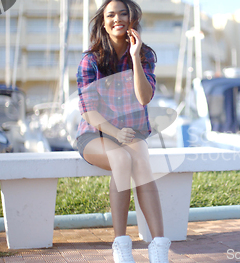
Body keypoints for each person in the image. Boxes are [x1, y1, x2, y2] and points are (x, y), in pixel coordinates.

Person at [75, 0, 170, 262]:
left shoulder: (146, 54)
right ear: (103, 23)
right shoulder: (90, 60)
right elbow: (88, 111)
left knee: (142, 161)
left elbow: (144, 97)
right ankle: (121, 245)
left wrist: (135, 57)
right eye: (111, 15)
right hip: (96, 133)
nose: (117, 19)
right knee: (121, 158)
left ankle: (159, 247)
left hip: (130, 132)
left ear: (132, 18)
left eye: (123, 13)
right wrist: (115, 134)